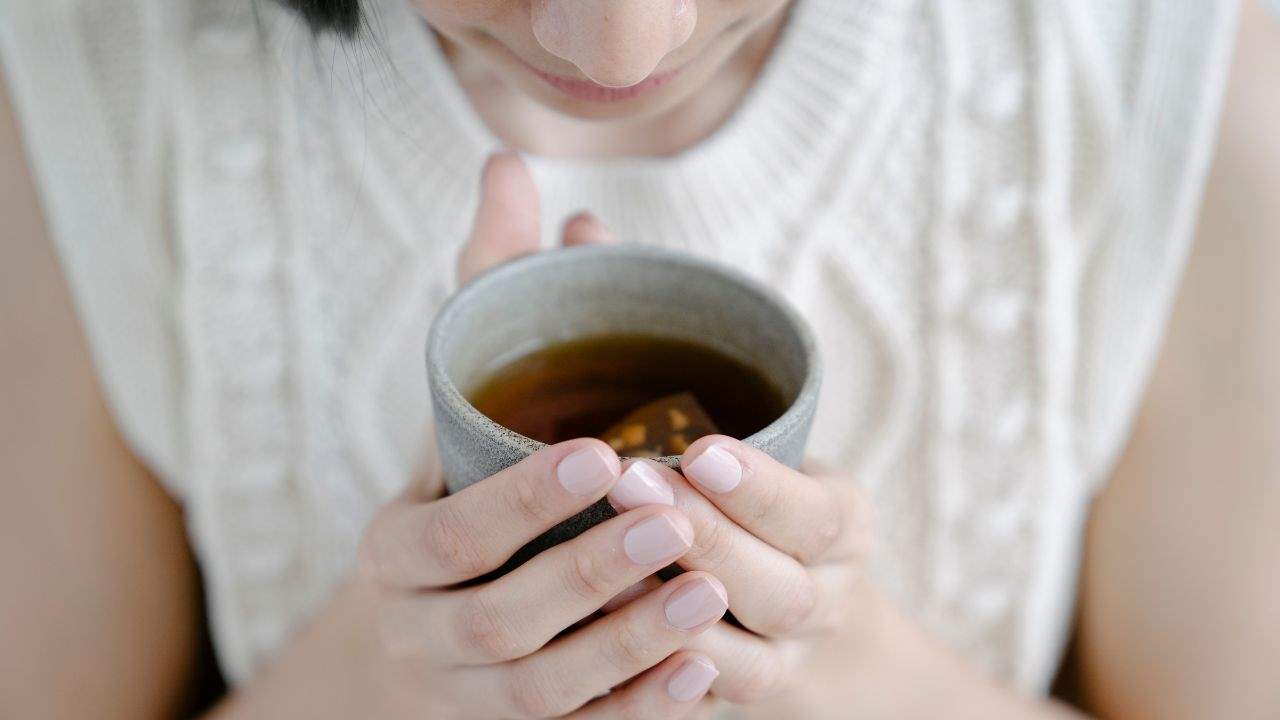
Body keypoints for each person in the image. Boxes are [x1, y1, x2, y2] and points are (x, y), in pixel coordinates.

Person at [2, 0, 1277, 717]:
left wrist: (850, 672)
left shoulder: (1164, 60)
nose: (619, 46)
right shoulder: (91, 66)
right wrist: (367, 683)